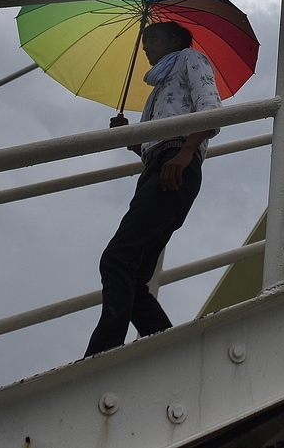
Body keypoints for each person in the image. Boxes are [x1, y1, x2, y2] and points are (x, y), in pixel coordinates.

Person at [83, 21, 220, 357]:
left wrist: (186, 152)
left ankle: (102, 353)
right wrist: (129, 136)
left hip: (175, 165)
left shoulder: (191, 58)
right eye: (144, 41)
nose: (146, 46)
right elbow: (148, 146)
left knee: (117, 258)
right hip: (157, 166)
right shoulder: (158, 87)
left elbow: (211, 110)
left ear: (175, 39)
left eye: (152, 39)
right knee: (136, 278)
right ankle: (170, 351)